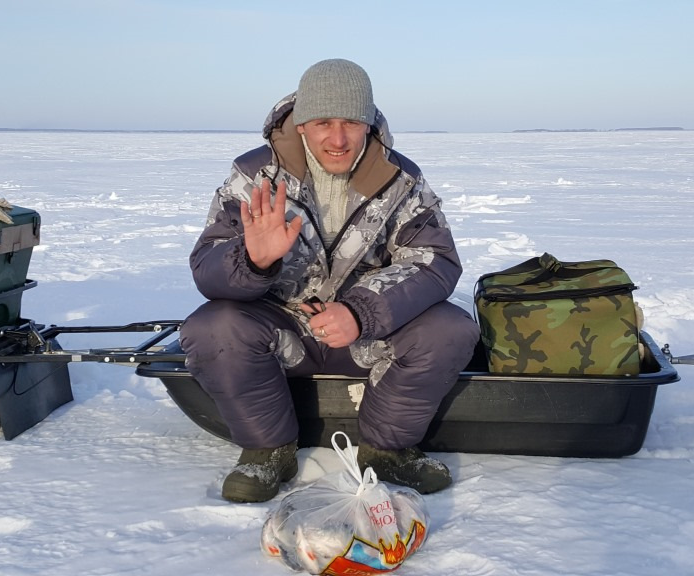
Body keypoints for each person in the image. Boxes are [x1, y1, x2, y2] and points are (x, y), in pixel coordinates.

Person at [179, 58, 480, 503]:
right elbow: (208, 267)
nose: (337, 139)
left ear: (368, 123)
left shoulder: (403, 180)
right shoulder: (253, 177)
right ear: (301, 124)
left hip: (366, 336)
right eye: (323, 122)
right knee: (212, 327)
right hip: (283, 331)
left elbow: (434, 261)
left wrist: (362, 311)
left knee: (450, 329)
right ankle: (267, 451)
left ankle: (386, 450)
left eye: (351, 123)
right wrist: (254, 260)